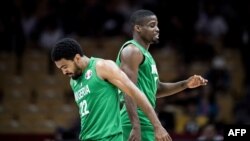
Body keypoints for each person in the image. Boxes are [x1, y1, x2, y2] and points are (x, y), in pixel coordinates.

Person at [51, 38, 172, 141]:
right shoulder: (74, 81)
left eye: (65, 67)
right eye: (60, 68)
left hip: (109, 138)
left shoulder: (102, 67)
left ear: (77, 58)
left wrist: (157, 126)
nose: (63, 72)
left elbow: (135, 92)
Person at [116, 9, 208, 141]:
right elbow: (128, 90)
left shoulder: (146, 55)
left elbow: (156, 89)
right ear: (138, 28)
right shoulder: (131, 51)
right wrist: (136, 126)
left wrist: (185, 84)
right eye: (152, 25)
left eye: (157, 25)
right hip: (133, 122)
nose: (157, 29)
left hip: (146, 122)